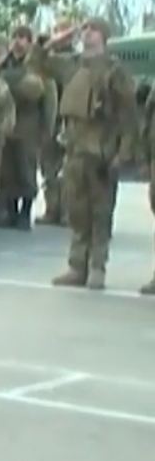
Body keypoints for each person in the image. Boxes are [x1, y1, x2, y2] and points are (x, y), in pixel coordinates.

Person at [50, 18, 138, 291]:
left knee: (100, 213)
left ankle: (97, 266)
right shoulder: (72, 65)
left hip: (101, 151)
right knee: (76, 212)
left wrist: (123, 153)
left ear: (104, 36)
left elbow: (128, 116)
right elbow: (35, 61)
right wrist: (58, 40)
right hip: (74, 150)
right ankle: (77, 266)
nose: (87, 33)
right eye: (85, 28)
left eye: (93, 29)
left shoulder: (115, 71)